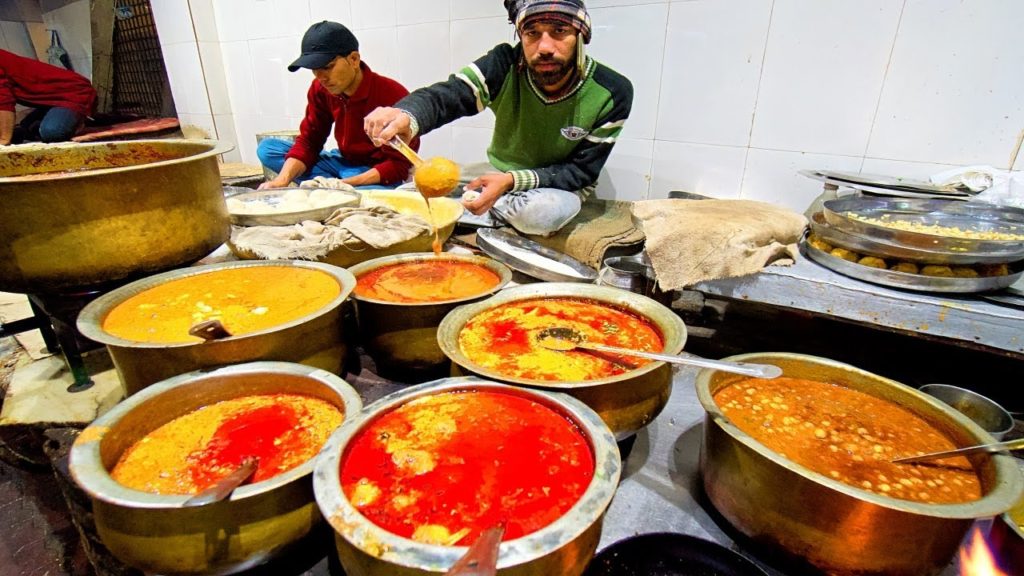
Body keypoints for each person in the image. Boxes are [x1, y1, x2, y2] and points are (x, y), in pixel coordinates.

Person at [364, 0, 632, 236]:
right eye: (532, 33)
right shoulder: (504, 63)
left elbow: (580, 172)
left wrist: (511, 182)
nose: (545, 46)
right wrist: (407, 116)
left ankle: (461, 211)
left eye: (559, 31)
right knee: (404, 197)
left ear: (581, 36)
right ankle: (480, 209)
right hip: (497, 173)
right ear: (521, 36)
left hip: (557, 187)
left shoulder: (611, 91)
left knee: (543, 213)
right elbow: (447, 96)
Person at [258, 21, 417, 189]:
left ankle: (332, 186)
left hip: (374, 172)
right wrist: (281, 181)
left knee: (369, 197)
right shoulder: (321, 88)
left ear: (354, 59)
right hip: (341, 161)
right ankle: (328, 185)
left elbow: (399, 165)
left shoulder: (393, 94)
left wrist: (340, 185)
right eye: (314, 69)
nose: (320, 77)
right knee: (268, 149)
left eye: (327, 67)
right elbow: (310, 141)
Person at [0, 49, 96, 145]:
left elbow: (4, 103)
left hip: (76, 92)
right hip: (50, 100)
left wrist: (4, 140)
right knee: (26, 129)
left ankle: (86, 124)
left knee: (52, 132)